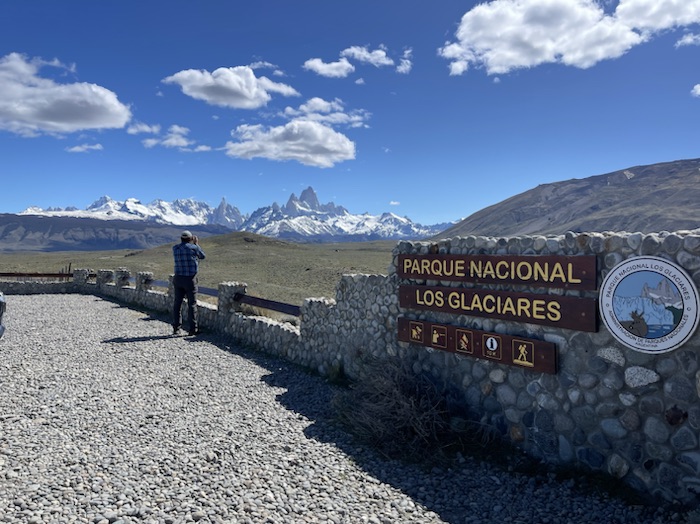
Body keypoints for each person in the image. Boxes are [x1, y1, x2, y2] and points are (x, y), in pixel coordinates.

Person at [172, 230, 206, 335]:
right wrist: (196, 244)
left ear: (181, 238)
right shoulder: (193, 248)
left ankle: (176, 328)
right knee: (192, 304)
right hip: (190, 279)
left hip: (178, 278)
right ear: (190, 238)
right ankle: (193, 329)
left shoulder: (175, 248)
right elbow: (202, 256)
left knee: (177, 303)